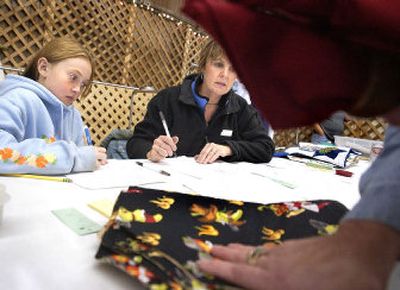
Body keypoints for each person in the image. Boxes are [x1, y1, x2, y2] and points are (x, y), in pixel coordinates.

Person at [183, 1, 400, 289]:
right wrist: (368, 237)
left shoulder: (239, 107)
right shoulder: (172, 100)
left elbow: (262, 145)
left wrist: (367, 239)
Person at [126, 39, 274, 164]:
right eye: (218, 64)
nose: (225, 75)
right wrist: (151, 152)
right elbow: (135, 143)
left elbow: (265, 147)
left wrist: (227, 149)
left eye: (233, 69)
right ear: (203, 66)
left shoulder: (240, 108)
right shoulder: (167, 99)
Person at [0, 37, 107, 174]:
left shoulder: (74, 116)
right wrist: (74, 157)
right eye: (73, 77)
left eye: (83, 84)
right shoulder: (17, 99)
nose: (77, 90)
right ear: (43, 68)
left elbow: (81, 158)